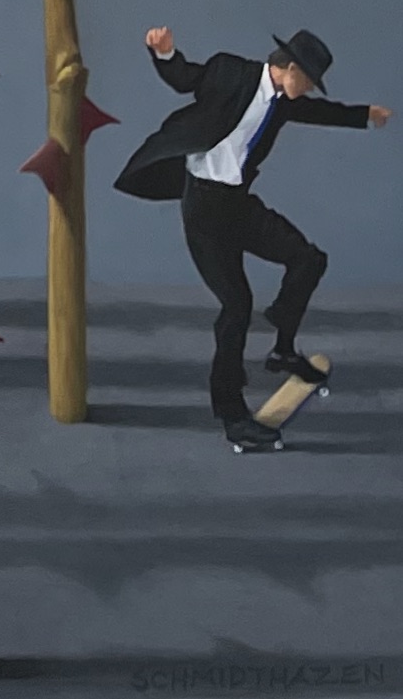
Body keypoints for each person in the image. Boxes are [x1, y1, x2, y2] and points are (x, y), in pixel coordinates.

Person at [115, 24, 389, 448]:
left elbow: (321, 112)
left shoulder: (283, 103)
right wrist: (166, 53)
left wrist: (365, 115)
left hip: (237, 204)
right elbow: (185, 78)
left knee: (308, 259)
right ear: (290, 68)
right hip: (204, 208)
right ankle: (232, 414)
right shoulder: (230, 72)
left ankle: (282, 350)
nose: (308, 90)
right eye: (308, 81)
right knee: (236, 306)